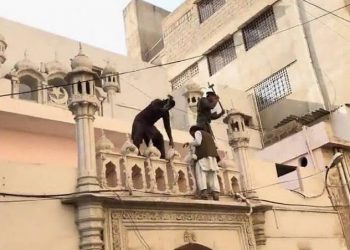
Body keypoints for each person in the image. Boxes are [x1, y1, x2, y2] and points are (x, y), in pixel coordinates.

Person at [183, 125, 220, 201]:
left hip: (202, 157)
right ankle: (215, 193)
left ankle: (204, 193)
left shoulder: (198, 132)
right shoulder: (210, 135)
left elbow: (198, 142)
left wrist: (189, 143)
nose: (193, 136)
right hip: (212, 158)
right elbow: (216, 146)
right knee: (212, 175)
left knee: (201, 174)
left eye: (191, 134)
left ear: (193, 131)